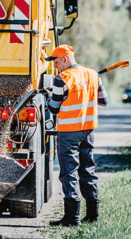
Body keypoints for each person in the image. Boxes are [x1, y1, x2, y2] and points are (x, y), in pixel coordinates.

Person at [45, 44, 108, 227]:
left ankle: (72, 218)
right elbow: (104, 101)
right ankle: (92, 215)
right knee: (88, 171)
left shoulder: (61, 79)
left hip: (68, 134)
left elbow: (53, 108)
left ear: (65, 59)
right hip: (88, 132)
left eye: (56, 62)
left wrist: (51, 95)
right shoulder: (93, 74)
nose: (56, 67)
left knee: (69, 173)